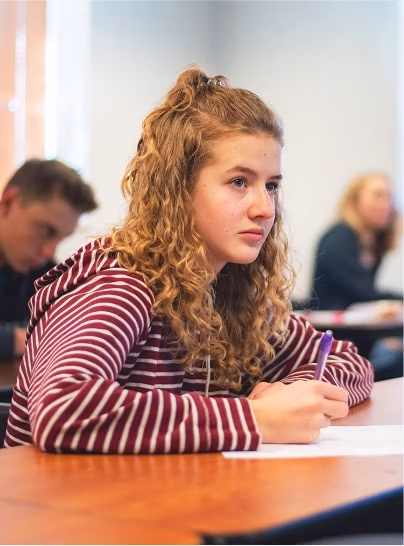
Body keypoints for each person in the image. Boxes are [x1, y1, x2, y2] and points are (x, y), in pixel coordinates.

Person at [4, 67, 373, 453]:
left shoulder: (233, 293)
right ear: (178, 189)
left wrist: (294, 396)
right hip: (66, 508)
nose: (265, 208)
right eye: (238, 182)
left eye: (272, 186)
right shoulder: (120, 285)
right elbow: (64, 409)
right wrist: (255, 419)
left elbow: (348, 361)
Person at [0, 159, 98, 360]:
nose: (49, 251)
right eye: (46, 230)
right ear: (7, 204)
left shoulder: (44, 273)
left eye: (61, 238)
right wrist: (19, 340)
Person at [310, 172, 403, 380]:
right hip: (334, 341)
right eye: (378, 195)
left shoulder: (372, 242)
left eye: (389, 197)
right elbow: (363, 292)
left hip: (359, 334)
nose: (387, 205)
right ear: (355, 202)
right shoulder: (338, 238)